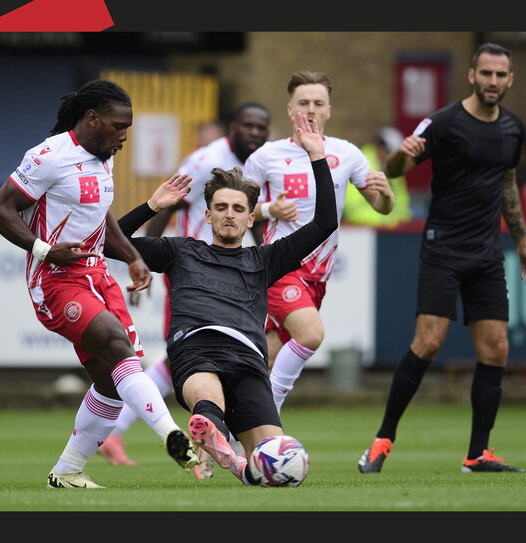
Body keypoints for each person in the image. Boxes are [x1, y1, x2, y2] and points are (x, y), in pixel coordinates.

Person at [0, 79, 198, 489]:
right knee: (118, 345)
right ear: (92, 118)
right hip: (54, 279)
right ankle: (172, 434)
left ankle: (66, 472)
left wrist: (133, 256)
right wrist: (46, 249)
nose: (123, 137)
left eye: (128, 129)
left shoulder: (104, 157)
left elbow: (103, 217)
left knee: (112, 381)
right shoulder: (48, 156)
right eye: (118, 127)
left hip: (96, 275)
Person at [105, 112, 337, 485]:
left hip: (248, 359)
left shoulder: (264, 259)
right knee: (206, 395)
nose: (229, 215)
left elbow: (325, 223)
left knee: (271, 464)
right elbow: (106, 243)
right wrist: (152, 206)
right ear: (209, 214)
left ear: (250, 219)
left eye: (238, 209)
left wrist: (316, 156)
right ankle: (208, 427)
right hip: (196, 349)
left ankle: (235, 463)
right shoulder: (181, 252)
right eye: (221, 208)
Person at [357, 43, 526, 475]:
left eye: (501, 75)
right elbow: (394, 167)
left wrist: (523, 243)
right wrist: (403, 152)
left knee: (496, 347)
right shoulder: (443, 122)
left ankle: (477, 454)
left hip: (487, 252)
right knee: (428, 342)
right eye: (487, 74)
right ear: (472, 76)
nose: (493, 82)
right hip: (444, 247)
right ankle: (383, 439)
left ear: (510, 80)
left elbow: (508, 186)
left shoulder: (513, 129)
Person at [99, 102, 271, 478]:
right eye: (249, 126)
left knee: (230, 357)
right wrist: (138, 260)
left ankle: (215, 439)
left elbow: (251, 219)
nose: (256, 133)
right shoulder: (207, 158)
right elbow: (167, 206)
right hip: (194, 267)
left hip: (236, 270)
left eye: (262, 127)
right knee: (190, 358)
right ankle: (120, 430)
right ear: (233, 127)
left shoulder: (259, 161)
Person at [243, 70, 395, 414]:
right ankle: (270, 414)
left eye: (318, 103)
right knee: (310, 334)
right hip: (279, 265)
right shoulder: (266, 156)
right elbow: (236, 206)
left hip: (318, 276)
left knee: (264, 359)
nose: (310, 110)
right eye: (303, 103)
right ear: (289, 109)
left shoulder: (348, 154)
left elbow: (381, 208)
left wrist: (386, 196)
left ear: (328, 110)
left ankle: (228, 431)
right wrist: (268, 208)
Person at [343, 126, 413, 227]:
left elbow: (403, 206)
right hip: (363, 231)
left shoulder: (394, 167)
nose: (394, 157)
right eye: (390, 152)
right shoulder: (360, 166)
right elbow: (353, 210)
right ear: (379, 148)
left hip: (391, 231)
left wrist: (397, 222)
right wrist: (388, 221)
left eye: (398, 154)